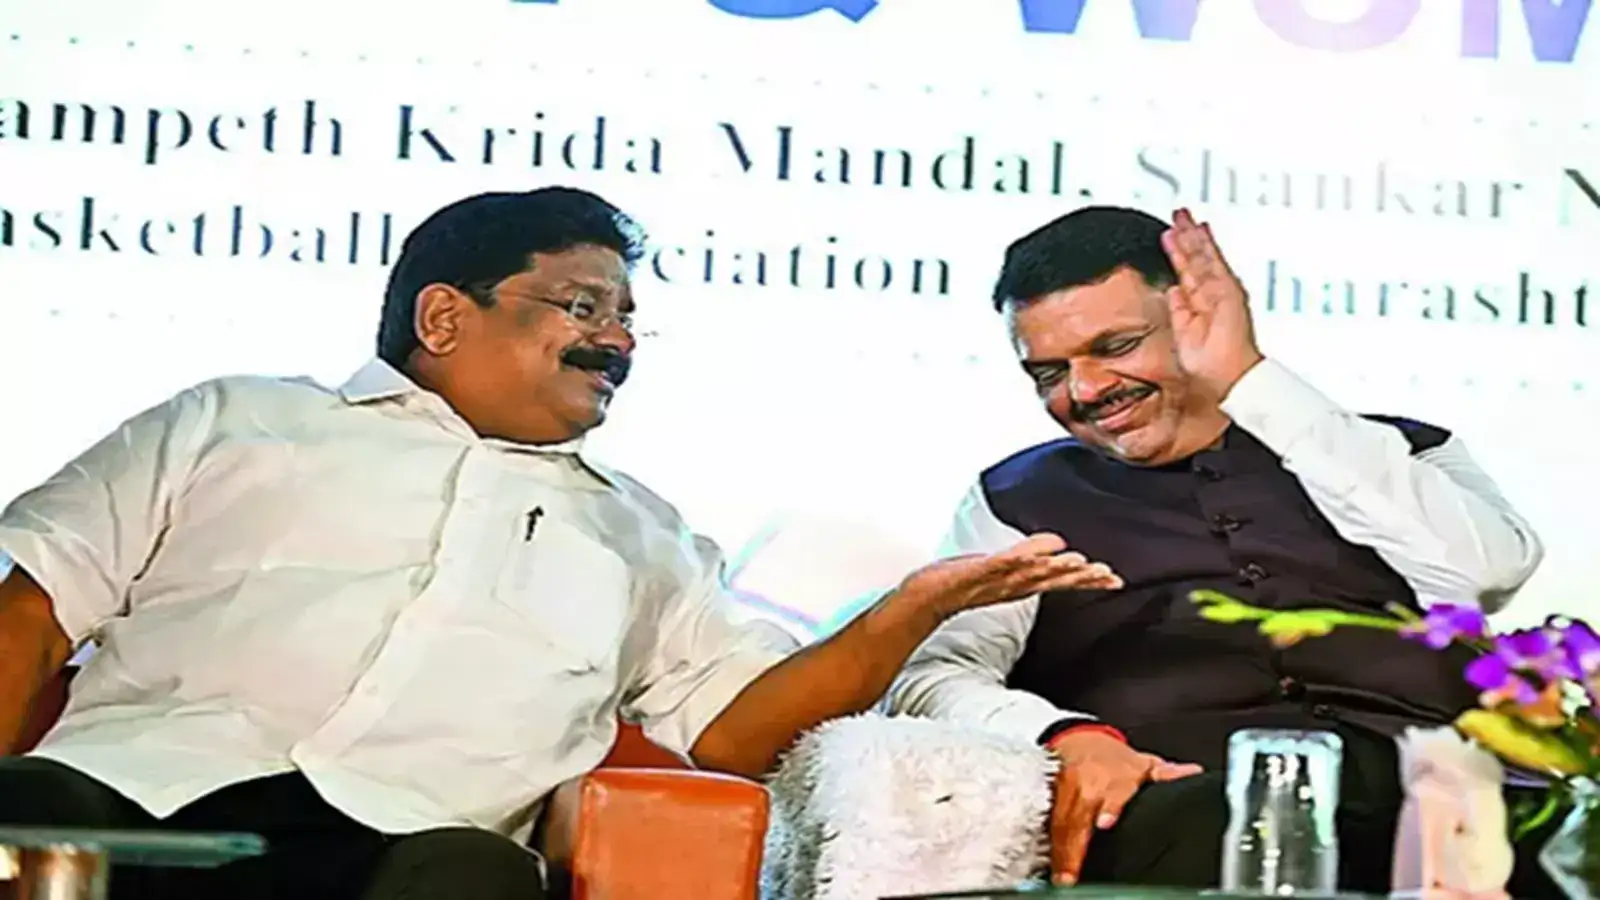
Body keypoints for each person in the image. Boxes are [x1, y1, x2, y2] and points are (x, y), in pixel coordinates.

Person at [0, 187, 1122, 900]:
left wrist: (912, 608)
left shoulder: (640, 530)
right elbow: (33, 610)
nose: (618, 340)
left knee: (478, 879)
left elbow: (736, 733)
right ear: (444, 317)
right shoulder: (235, 421)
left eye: (627, 317)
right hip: (132, 799)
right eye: (584, 307)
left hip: (414, 847)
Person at [885, 205, 1557, 895]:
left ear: (1193, 317)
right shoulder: (1016, 496)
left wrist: (1248, 379)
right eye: (1049, 373)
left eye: (1115, 346)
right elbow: (930, 675)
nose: (1085, 391)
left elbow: (1484, 574)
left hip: (1450, 807)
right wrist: (1064, 734)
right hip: (1188, 813)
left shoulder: (1397, 450)